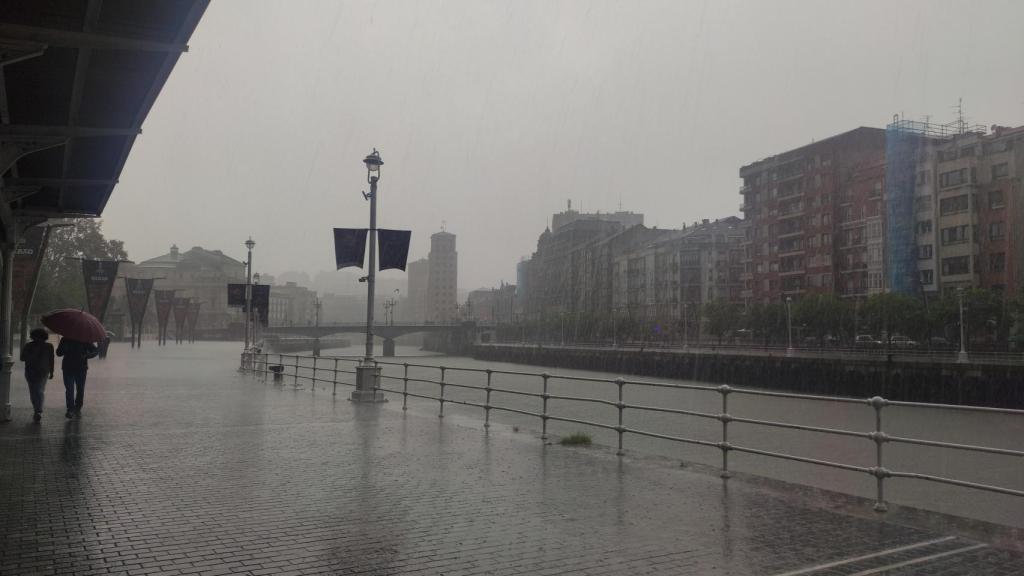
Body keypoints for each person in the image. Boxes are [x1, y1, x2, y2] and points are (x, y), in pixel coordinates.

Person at [55, 337, 97, 419]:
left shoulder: (84, 339)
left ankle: (77, 406)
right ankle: (70, 409)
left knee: (80, 389)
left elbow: (95, 350)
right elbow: (58, 353)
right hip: (68, 368)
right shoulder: (65, 339)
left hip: (80, 368)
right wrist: (64, 348)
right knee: (69, 389)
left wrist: (87, 355)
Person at [20, 328, 54, 422]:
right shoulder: (29, 346)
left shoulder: (49, 346)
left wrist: (52, 371)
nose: (37, 339)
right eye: (36, 337)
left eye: (39, 337)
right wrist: (32, 354)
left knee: (38, 390)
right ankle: (37, 409)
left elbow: (51, 359)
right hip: (31, 371)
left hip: (42, 372)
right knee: (34, 391)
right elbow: (22, 358)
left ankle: (38, 410)